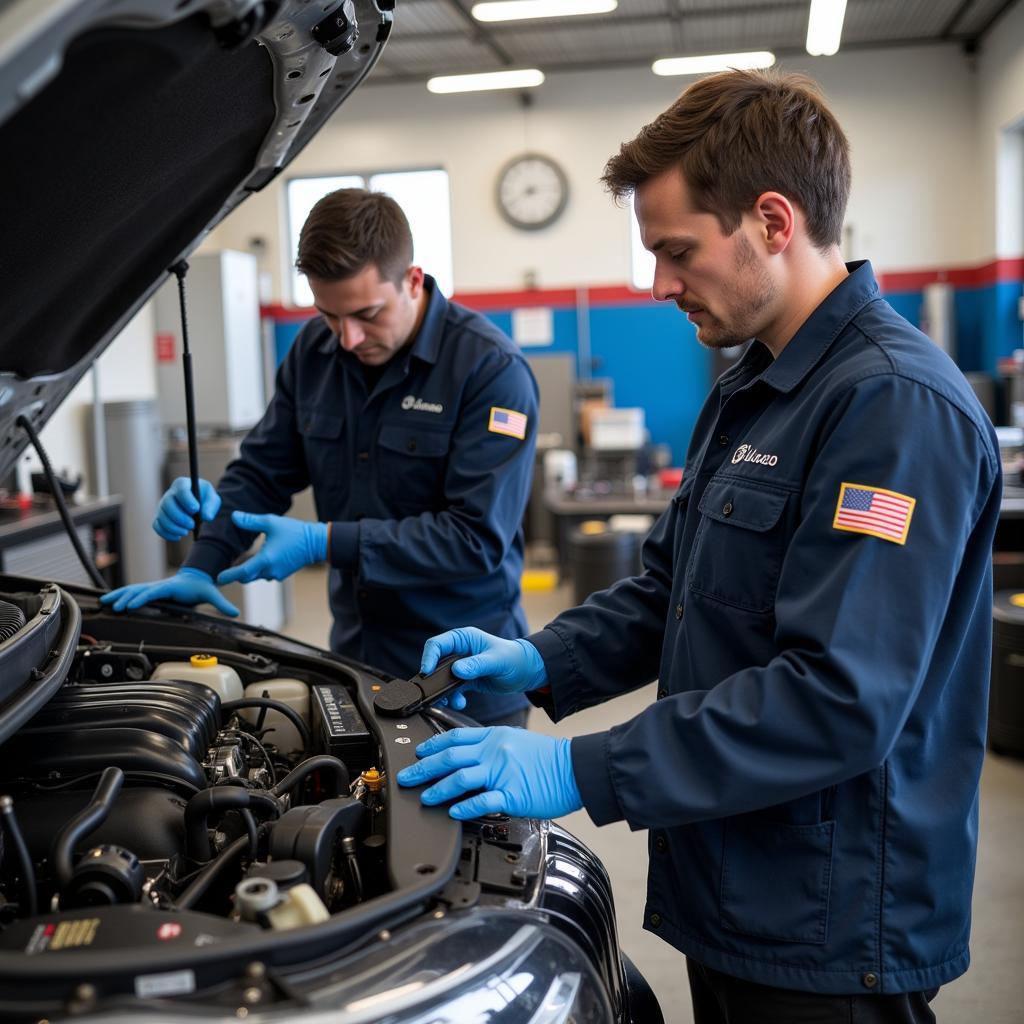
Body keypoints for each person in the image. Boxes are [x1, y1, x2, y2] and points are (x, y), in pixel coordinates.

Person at [395, 70, 1001, 1023]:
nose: (659, 284)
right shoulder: (750, 388)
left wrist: (576, 770)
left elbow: (838, 700)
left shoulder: (891, 408)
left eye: (675, 250)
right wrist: (540, 659)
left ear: (772, 219)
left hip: (833, 921)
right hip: (737, 884)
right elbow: (669, 591)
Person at [102, 189, 538, 727]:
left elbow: (476, 540)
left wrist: (323, 541)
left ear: (413, 280)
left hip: (462, 677)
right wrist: (204, 560)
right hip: (356, 660)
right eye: (330, 315)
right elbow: (262, 472)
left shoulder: (490, 370)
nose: (348, 337)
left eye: (366, 314)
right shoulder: (314, 352)